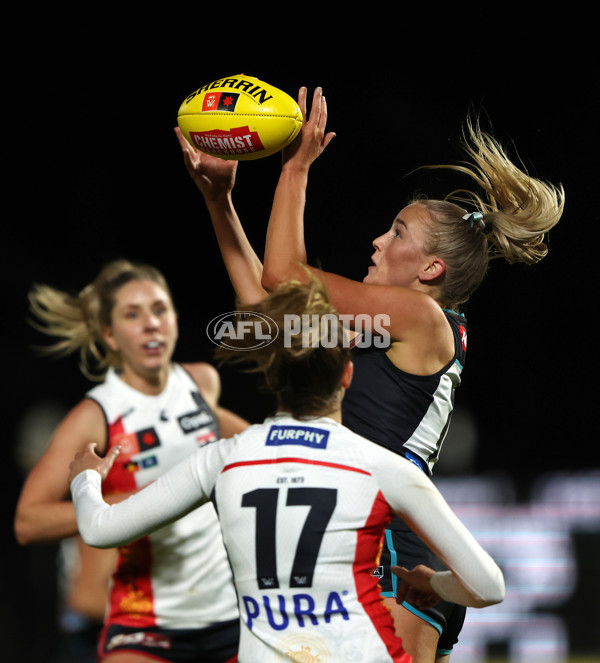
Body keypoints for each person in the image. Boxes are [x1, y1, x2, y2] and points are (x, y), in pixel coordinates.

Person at [174, 86, 564, 662]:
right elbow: (266, 314)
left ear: (432, 268)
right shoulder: (386, 326)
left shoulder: (424, 320)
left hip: (392, 544)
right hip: (350, 521)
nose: (379, 241)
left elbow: (284, 273)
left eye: (398, 233)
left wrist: (297, 166)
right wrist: (219, 200)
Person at [68, 276, 506, 663]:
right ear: (347, 375)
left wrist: (85, 477)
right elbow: (488, 586)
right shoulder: (382, 467)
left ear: (272, 379)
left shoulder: (223, 458)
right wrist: (434, 583)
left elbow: (100, 528)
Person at [14, 259, 248, 663]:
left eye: (160, 309)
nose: (151, 323)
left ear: (175, 318)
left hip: (228, 614)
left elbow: (257, 446)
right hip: (143, 624)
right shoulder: (96, 416)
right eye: (133, 314)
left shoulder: (200, 384)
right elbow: (27, 522)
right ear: (110, 334)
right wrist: (125, 507)